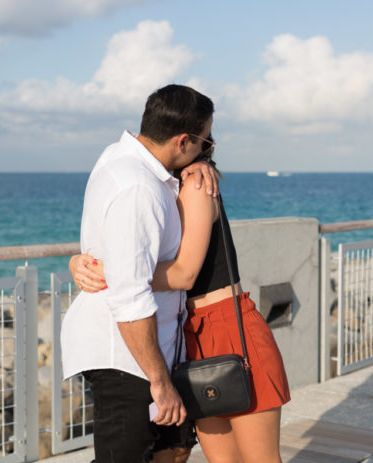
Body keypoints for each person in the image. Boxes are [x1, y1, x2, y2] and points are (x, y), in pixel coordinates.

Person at [71, 139, 291, 462]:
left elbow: (185, 273)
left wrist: (116, 272)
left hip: (229, 327)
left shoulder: (197, 183)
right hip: (188, 336)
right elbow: (127, 242)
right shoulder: (155, 189)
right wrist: (79, 261)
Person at [60, 84, 219, 463]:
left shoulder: (124, 159)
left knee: (175, 448)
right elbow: (130, 295)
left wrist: (202, 164)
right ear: (183, 140)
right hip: (125, 357)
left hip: (154, 349)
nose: (209, 149)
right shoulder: (138, 187)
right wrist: (160, 383)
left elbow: (111, 242)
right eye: (206, 142)